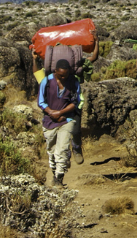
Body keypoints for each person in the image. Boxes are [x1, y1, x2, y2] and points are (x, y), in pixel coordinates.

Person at [36, 42, 98, 165]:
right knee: (58, 137)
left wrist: (96, 40)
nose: (63, 77)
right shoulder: (49, 76)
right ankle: (64, 156)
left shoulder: (74, 73)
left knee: (75, 130)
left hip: (74, 106)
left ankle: (76, 148)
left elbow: (93, 58)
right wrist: (34, 59)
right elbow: (37, 74)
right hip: (54, 109)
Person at [37, 59, 80, 188]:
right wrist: (51, 113)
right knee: (52, 150)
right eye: (60, 75)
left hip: (67, 120)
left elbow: (75, 102)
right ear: (55, 71)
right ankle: (55, 172)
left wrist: (61, 113)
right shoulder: (47, 81)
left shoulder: (73, 82)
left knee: (62, 149)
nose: (63, 78)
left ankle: (59, 179)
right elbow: (41, 101)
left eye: (65, 75)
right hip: (49, 121)